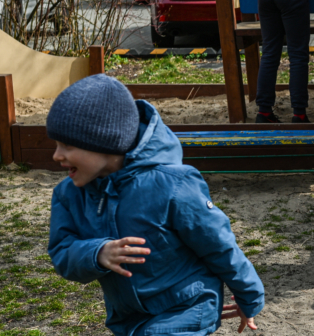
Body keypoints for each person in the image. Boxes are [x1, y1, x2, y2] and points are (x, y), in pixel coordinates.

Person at [46, 74, 264, 335]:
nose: (56, 155)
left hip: (187, 306)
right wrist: (97, 253)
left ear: (104, 141)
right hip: (128, 317)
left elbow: (218, 245)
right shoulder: (68, 194)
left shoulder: (173, 184)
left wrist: (249, 297)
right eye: (56, 144)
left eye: (67, 145)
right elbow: (62, 252)